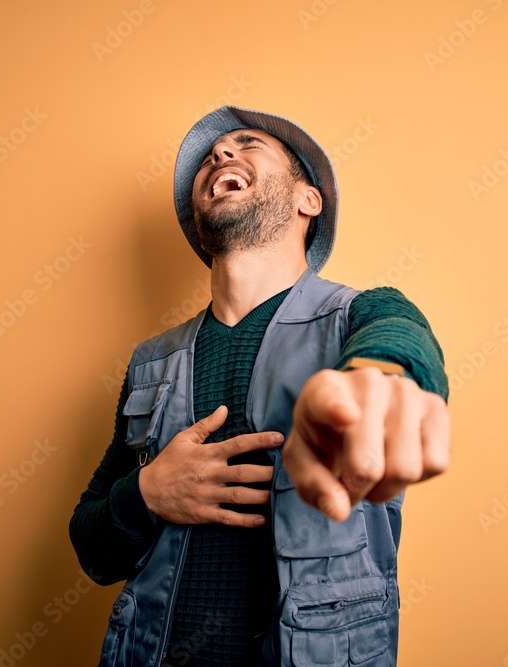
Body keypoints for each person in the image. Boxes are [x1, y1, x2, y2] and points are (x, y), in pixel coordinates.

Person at [70, 106, 450, 666]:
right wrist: (148, 492)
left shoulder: (363, 314)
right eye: (211, 156)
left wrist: (379, 383)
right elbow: (92, 550)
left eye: (248, 144)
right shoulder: (150, 361)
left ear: (308, 200)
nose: (220, 153)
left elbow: (399, 340)